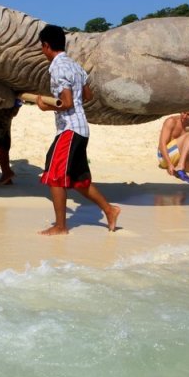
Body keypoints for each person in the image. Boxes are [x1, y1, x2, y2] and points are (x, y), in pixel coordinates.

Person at [36, 24, 120, 236]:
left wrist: (45, 106)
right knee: (79, 181)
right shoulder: (75, 66)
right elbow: (87, 96)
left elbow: (66, 102)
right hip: (81, 129)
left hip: (69, 130)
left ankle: (61, 226)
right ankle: (110, 210)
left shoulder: (57, 68)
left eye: (41, 47)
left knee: (54, 175)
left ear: (46, 46)